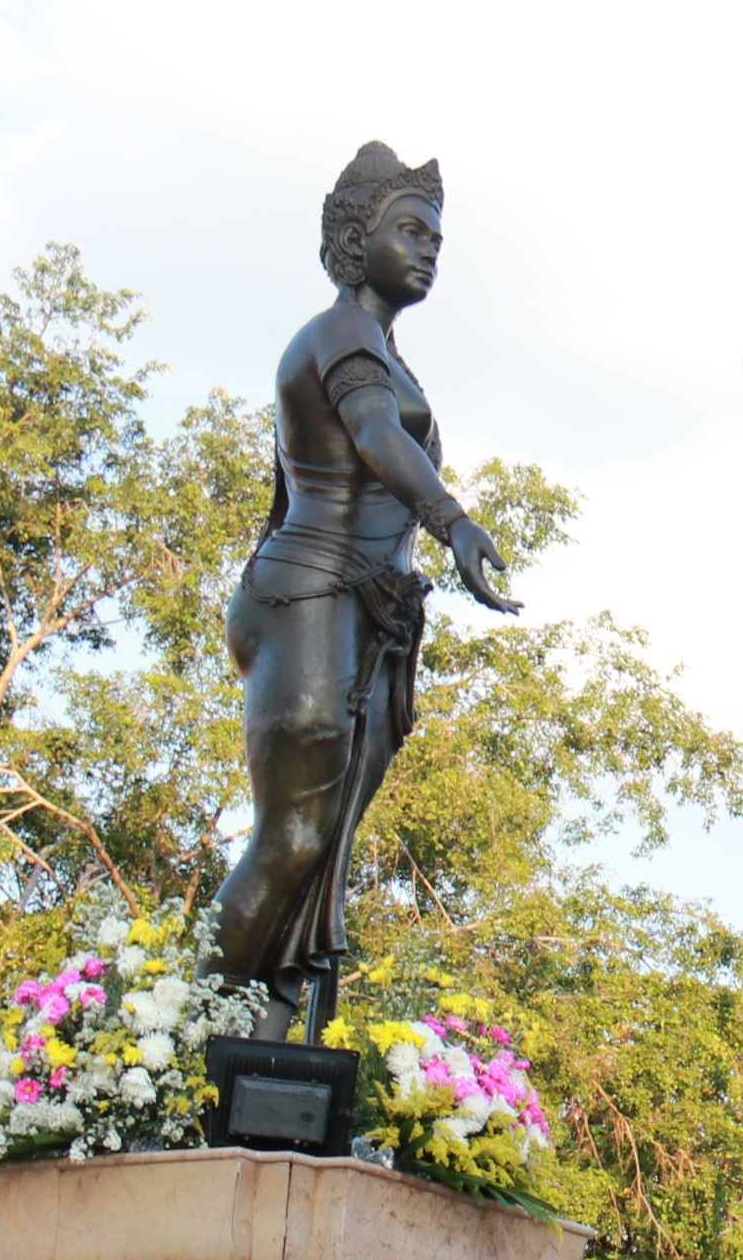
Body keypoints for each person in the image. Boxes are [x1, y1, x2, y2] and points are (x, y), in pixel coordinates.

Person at [211, 141, 521, 1033]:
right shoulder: (341, 334)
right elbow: (377, 438)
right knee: (295, 836)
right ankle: (184, 1043)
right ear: (357, 235)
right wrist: (452, 518)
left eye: (437, 237)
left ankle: (266, 1045)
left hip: (366, 617)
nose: (429, 248)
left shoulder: (379, 346)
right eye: (410, 229)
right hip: (314, 595)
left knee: (325, 849)